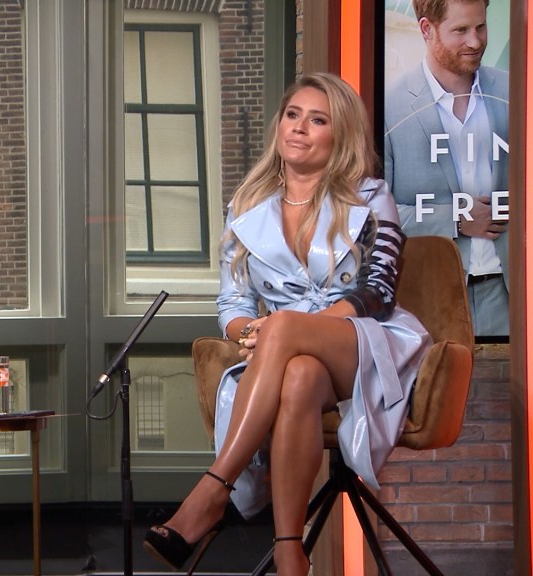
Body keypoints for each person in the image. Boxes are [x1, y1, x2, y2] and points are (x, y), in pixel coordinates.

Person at [142, 73, 432, 576]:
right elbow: (233, 302)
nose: (298, 128)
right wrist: (249, 334)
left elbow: (379, 291)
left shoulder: (370, 196)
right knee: (298, 374)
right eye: (293, 115)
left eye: (317, 120)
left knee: (283, 330)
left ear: (340, 135)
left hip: (361, 338)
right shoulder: (247, 205)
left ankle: (213, 490)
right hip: (282, 353)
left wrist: (292, 327)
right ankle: (289, 548)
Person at [383, 0, 509, 337]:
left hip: (509, 293)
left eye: (481, 27)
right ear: (427, 29)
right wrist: (456, 219)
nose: (475, 41)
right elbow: (375, 217)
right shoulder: (389, 107)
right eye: (461, 30)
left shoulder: (516, 93)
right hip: (429, 297)